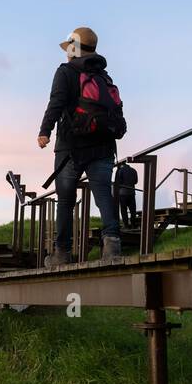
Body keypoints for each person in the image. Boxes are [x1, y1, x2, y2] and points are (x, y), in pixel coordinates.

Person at [37, 27, 124, 266]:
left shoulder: (65, 72)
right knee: (103, 194)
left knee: (65, 200)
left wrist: (45, 131)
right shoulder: (104, 77)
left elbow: (56, 103)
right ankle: (112, 247)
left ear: (74, 48)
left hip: (71, 147)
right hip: (104, 146)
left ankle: (62, 253)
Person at [115, 160, 139, 228]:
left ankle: (126, 225)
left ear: (120, 165)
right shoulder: (133, 170)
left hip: (122, 194)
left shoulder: (120, 171)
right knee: (132, 210)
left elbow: (118, 182)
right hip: (132, 192)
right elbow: (136, 181)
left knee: (123, 210)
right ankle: (133, 224)